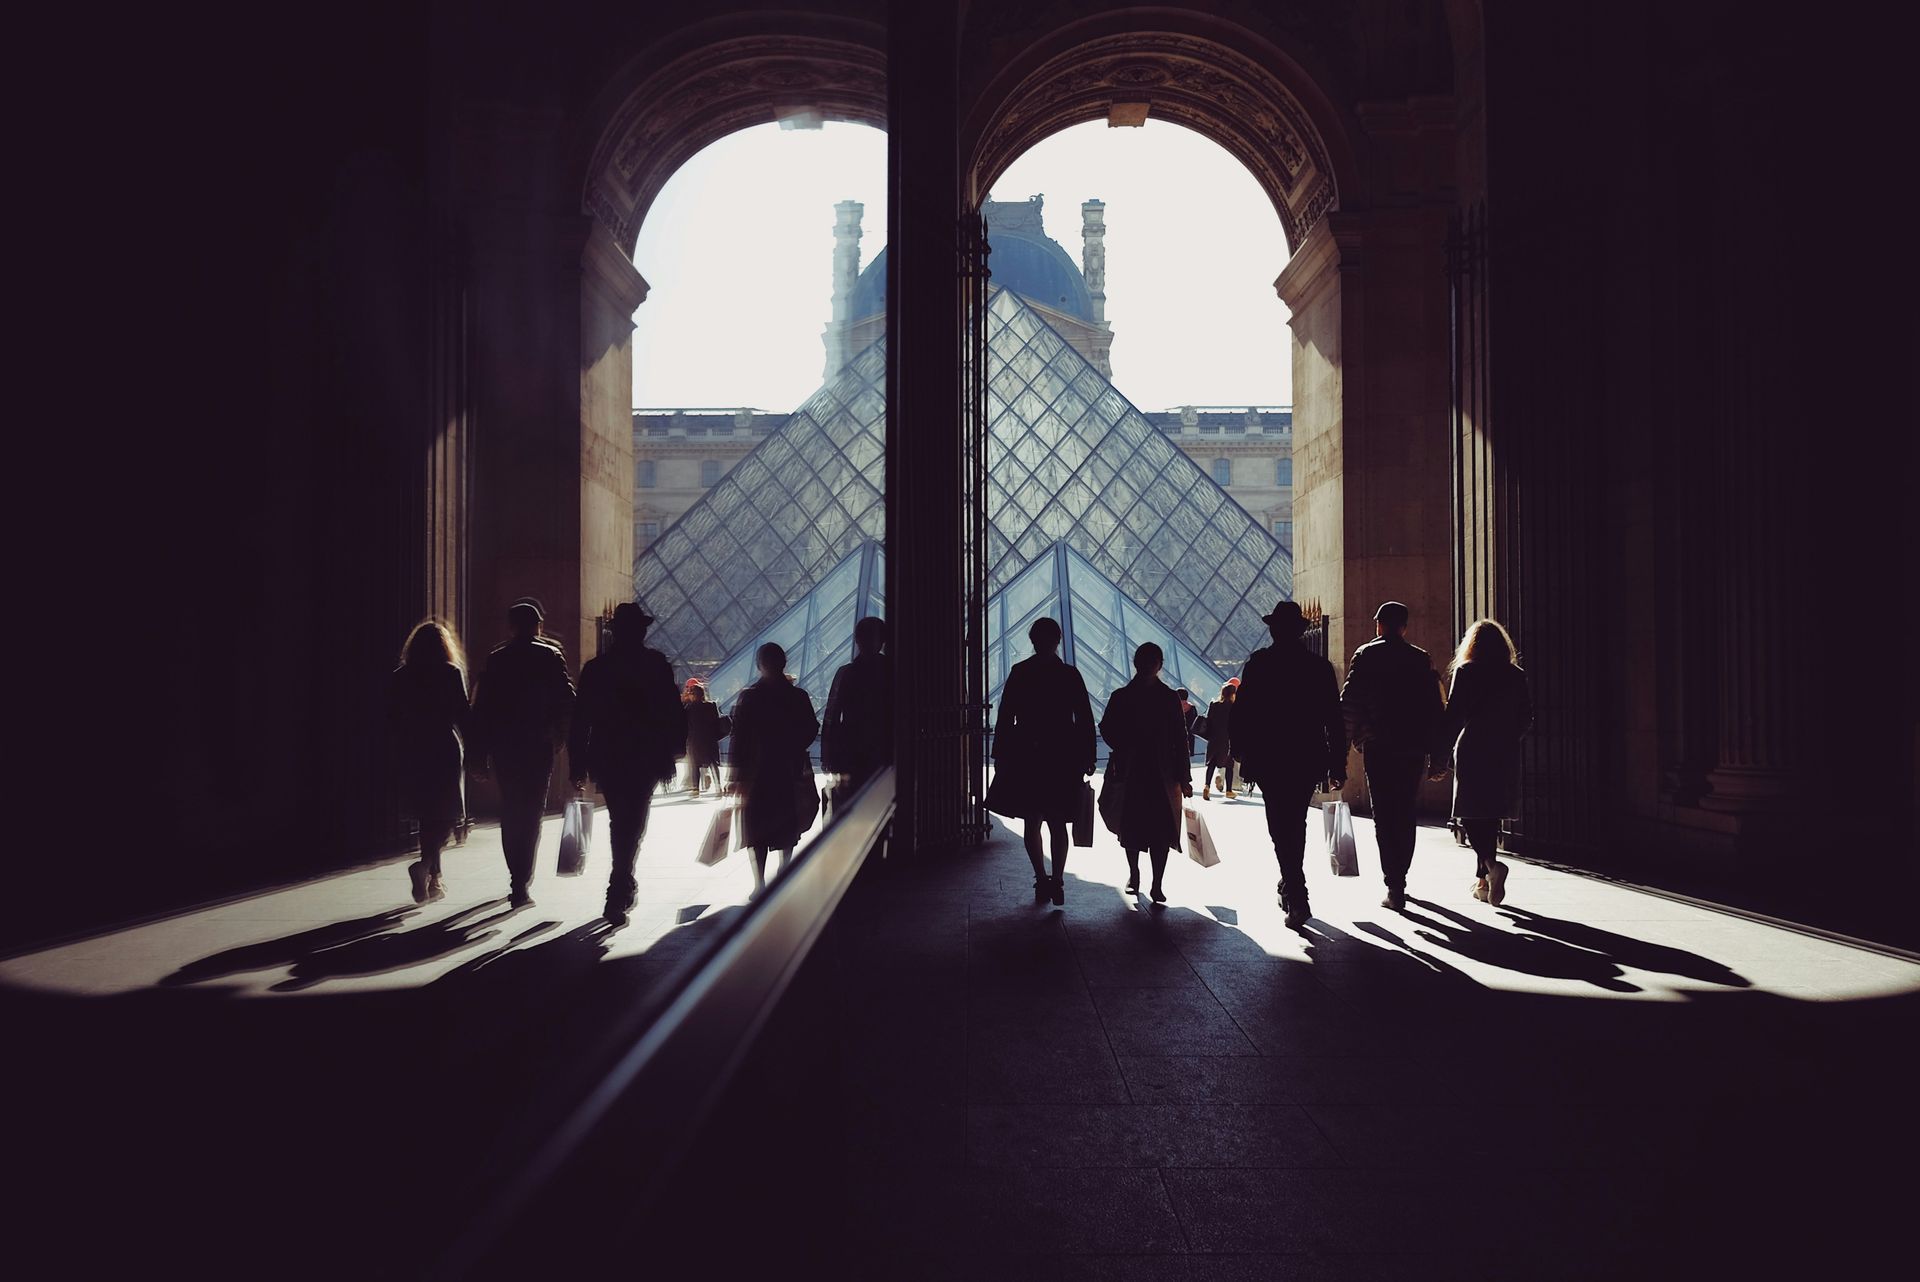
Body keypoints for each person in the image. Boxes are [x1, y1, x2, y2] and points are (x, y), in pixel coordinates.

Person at [1230, 601, 1348, 928]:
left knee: (1279, 824)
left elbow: (1244, 712)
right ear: (1300, 631)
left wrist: (1239, 749)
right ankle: (1293, 885)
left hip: (1269, 756)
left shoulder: (1259, 664)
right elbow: (1334, 721)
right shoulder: (1319, 668)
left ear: (1273, 629)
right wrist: (1338, 763)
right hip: (1305, 756)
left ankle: (1295, 889)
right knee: (1295, 822)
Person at [567, 603, 685, 927]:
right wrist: (673, 751)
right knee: (633, 821)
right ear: (641, 631)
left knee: (621, 820)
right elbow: (672, 712)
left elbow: (580, 721)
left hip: (608, 756)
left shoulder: (596, 669)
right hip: (645, 757)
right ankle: (619, 884)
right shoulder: (656, 665)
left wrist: (577, 762)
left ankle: (621, 883)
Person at [1340, 600, 1446, 911]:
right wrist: (1438, 756)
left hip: (1379, 746)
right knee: (1405, 812)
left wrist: (1341, 752)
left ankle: (1394, 884)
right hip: (1412, 747)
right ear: (1404, 627)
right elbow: (1435, 710)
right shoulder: (1420, 659)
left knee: (1384, 815)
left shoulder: (1366, 655)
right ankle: (1401, 876)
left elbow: (1350, 705)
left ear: (1379, 625)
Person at [470, 596, 575, 908]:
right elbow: (567, 700)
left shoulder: (497, 658)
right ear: (538, 625)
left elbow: (483, 708)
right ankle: (521, 881)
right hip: (538, 744)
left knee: (511, 809)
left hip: (505, 746)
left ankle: (515, 873)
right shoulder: (550, 655)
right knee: (531, 812)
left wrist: (479, 754)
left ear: (511, 626)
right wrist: (561, 735)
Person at [990, 617, 1096, 905]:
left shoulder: (1020, 672)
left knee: (1032, 820)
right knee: (1057, 821)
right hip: (1062, 756)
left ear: (1033, 641)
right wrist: (1089, 754)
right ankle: (1058, 879)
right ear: (1058, 640)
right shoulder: (1070, 675)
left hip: (1027, 756)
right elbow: (1085, 718)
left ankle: (1040, 878)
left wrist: (1000, 752)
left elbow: (1005, 716)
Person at [1439, 619, 1532, 907]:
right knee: (1490, 815)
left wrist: (1441, 751)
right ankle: (1483, 882)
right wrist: (1509, 737)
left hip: (1474, 746)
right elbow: (1526, 716)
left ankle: (1493, 866)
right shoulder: (1515, 674)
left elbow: (1454, 714)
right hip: (1504, 749)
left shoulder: (1467, 671)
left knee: (1468, 814)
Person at [1099, 643, 1190, 905]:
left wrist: (1123, 746)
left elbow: (1107, 728)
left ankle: (1138, 876)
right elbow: (1179, 739)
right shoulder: (1168, 697)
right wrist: (1183, 776)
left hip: (1134, 771)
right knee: (1157, 830)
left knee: (1134, 828)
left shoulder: (1121, 696)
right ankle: (1152, 882)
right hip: (1161, 773)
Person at [388, 620, 471, 905]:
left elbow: (392, 718)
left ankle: (434, 879)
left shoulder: (402, 676)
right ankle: (424, 866)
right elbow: (462, 714)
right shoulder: (450, 673)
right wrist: (476, 749)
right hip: (443, 747)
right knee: (446, 815)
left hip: (413, 749)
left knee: (426, 815)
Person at [728, 643, 820, 900]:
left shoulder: (749, 696)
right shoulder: (797, 696)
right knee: (786, 826)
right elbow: (811, 729)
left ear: (759, 665)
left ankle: (759, 883)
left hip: (756, 774)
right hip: (787, 770)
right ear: (783, 663)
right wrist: (793, 747)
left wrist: (735, 774)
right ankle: (784, 872)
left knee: (756, 830)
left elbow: (739, 737)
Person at [820, 615, 892, 801]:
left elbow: (832, 717)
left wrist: (827, 755)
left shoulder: (846, 674)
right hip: (884, 749)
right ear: (883, 642)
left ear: (857, 640)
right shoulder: (893, 672)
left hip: (851, 752)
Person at [682, 680, 727, 795]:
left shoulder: (689, 708)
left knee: (695, 764)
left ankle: (695, 789)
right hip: (710, 740)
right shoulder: (711, 705)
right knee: (713, 764)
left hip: (695, 741)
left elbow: (685, 725)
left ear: (693, 695)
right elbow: (717, 721)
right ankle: (718, 787)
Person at [1201, 681, 1238, 799]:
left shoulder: (1214, 704)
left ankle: (1206, 786)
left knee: (1211, 764)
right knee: (1229, 765)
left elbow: (1209, 721)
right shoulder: (1234, 707)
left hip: (1213, 739)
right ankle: (1229, 791)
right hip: (1227, 740)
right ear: (1232, 694)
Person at [1176, 687, 1199, 786]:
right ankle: (1186, 776)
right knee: (1186, 757)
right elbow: (1195, 722)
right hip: (1189, 736)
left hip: (1177, 735)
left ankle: (1178, 775)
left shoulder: (1173, 707)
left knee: (1176, 756)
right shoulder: (1192, 707)